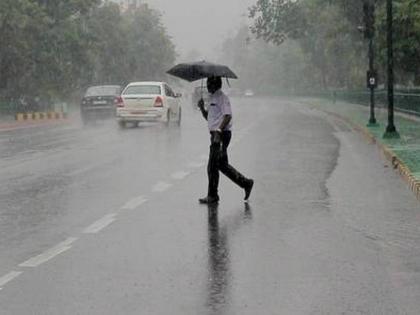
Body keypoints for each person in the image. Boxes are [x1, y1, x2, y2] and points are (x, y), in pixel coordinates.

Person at [197, 76, 254, 204]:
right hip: (216, 135)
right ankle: (246, 183)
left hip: (221, 135)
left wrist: (218, 131)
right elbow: (211, 119)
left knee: (212, 166)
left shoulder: (222, 98)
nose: (206, 86)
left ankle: (212, 195)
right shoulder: (213, 98)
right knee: (222, 165)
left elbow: (227, 116)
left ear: (215, 84)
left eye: (208, 83)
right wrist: (202, 109)